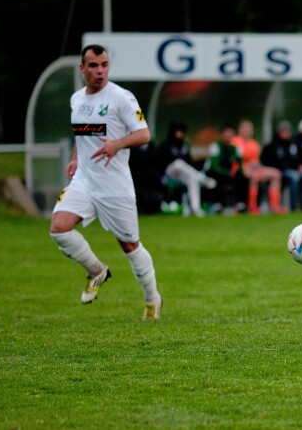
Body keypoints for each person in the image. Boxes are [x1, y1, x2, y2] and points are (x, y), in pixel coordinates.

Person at [48, 44, 162, 320]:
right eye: (94, 66)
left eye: (104, 65)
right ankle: (97, 271)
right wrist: (76, 158)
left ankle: (152, 299)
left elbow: (144, 134)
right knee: (59, 229)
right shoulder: (77, 99)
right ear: (82, 68)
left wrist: (117, 145)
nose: (100, 71)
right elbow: (82, 134)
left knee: (130, 246)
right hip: (85, 181)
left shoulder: (121, 98)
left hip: (115, 186)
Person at [156, 120, 216, 217]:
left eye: (181, 131)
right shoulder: (165, 145)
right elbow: (159, 162)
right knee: (178, 163)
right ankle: (203, 179)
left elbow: (189, 162)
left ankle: (196, 209)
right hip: (168, 174)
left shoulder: (185, 145)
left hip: (181, 176)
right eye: (177, 131)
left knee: (193, 180)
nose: (180, 133)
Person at [231, 118, 286, 215]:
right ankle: (252, 206)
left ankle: (274, 205)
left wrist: (255, 164)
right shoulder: (235, 142)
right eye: (244, 128)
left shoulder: (254, 144)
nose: (246, 131)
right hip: (239, 168)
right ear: (240, 130)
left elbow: (256, 160)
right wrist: (248, 163)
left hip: (254, 168)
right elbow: (235, 158)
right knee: (255, 176)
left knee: (276, 174)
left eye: (248, 129)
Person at [203, 123, 247, 213]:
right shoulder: (215, 146)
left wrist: (240, 172)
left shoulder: (235, 148)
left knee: (241, 177)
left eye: (230, 132)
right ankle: (217, 204)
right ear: (221, 134)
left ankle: (241, 203)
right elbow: (215, 167)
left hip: (228, 172)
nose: (228, 135)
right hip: (215, 172)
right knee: (217, 177)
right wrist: (228, 173)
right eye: (225, 132)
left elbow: (239, 164)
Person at [261, 120, 300, 211]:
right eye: (283, 131)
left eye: (287, 131)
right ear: (278, 132)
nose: (285, 133)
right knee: (293, 177)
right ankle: (273, 205)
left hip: (289, 171)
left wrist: (299, 166)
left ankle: (295, 206)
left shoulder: (292, 145)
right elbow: (264, 161)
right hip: (274, 171)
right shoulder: (271, 146)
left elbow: (296, 160)